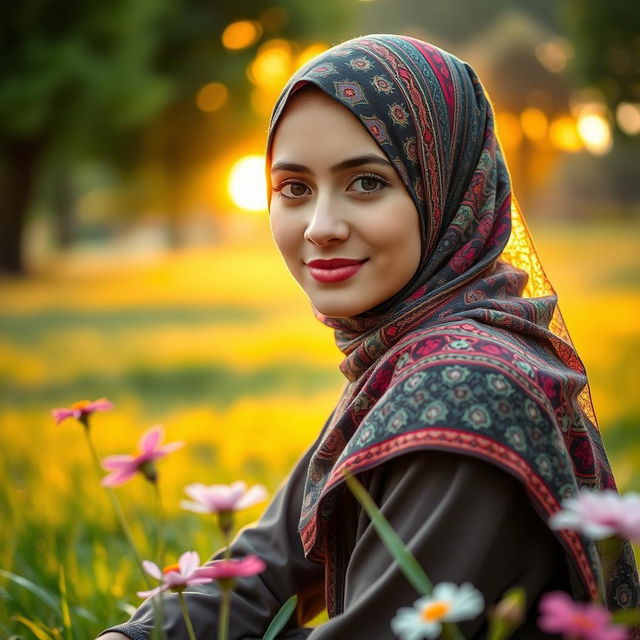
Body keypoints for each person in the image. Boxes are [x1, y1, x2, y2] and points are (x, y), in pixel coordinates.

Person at [98, 34, 639, 640]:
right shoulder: (408, 357)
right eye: (295, 188)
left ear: (447, 190)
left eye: (366, 183)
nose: (321, 227)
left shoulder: (468, 389)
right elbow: (259, 573)